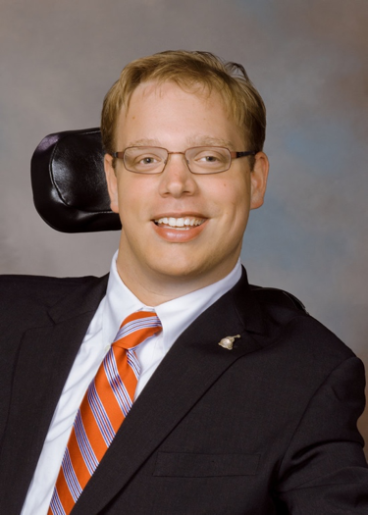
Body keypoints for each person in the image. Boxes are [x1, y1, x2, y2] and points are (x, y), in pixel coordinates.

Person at [0, 50, 367, 515]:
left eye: (209, 157)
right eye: (147, 158)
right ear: (112, 180)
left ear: (255, 179)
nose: (177, 184)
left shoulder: (309, 376)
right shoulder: (7, 316)